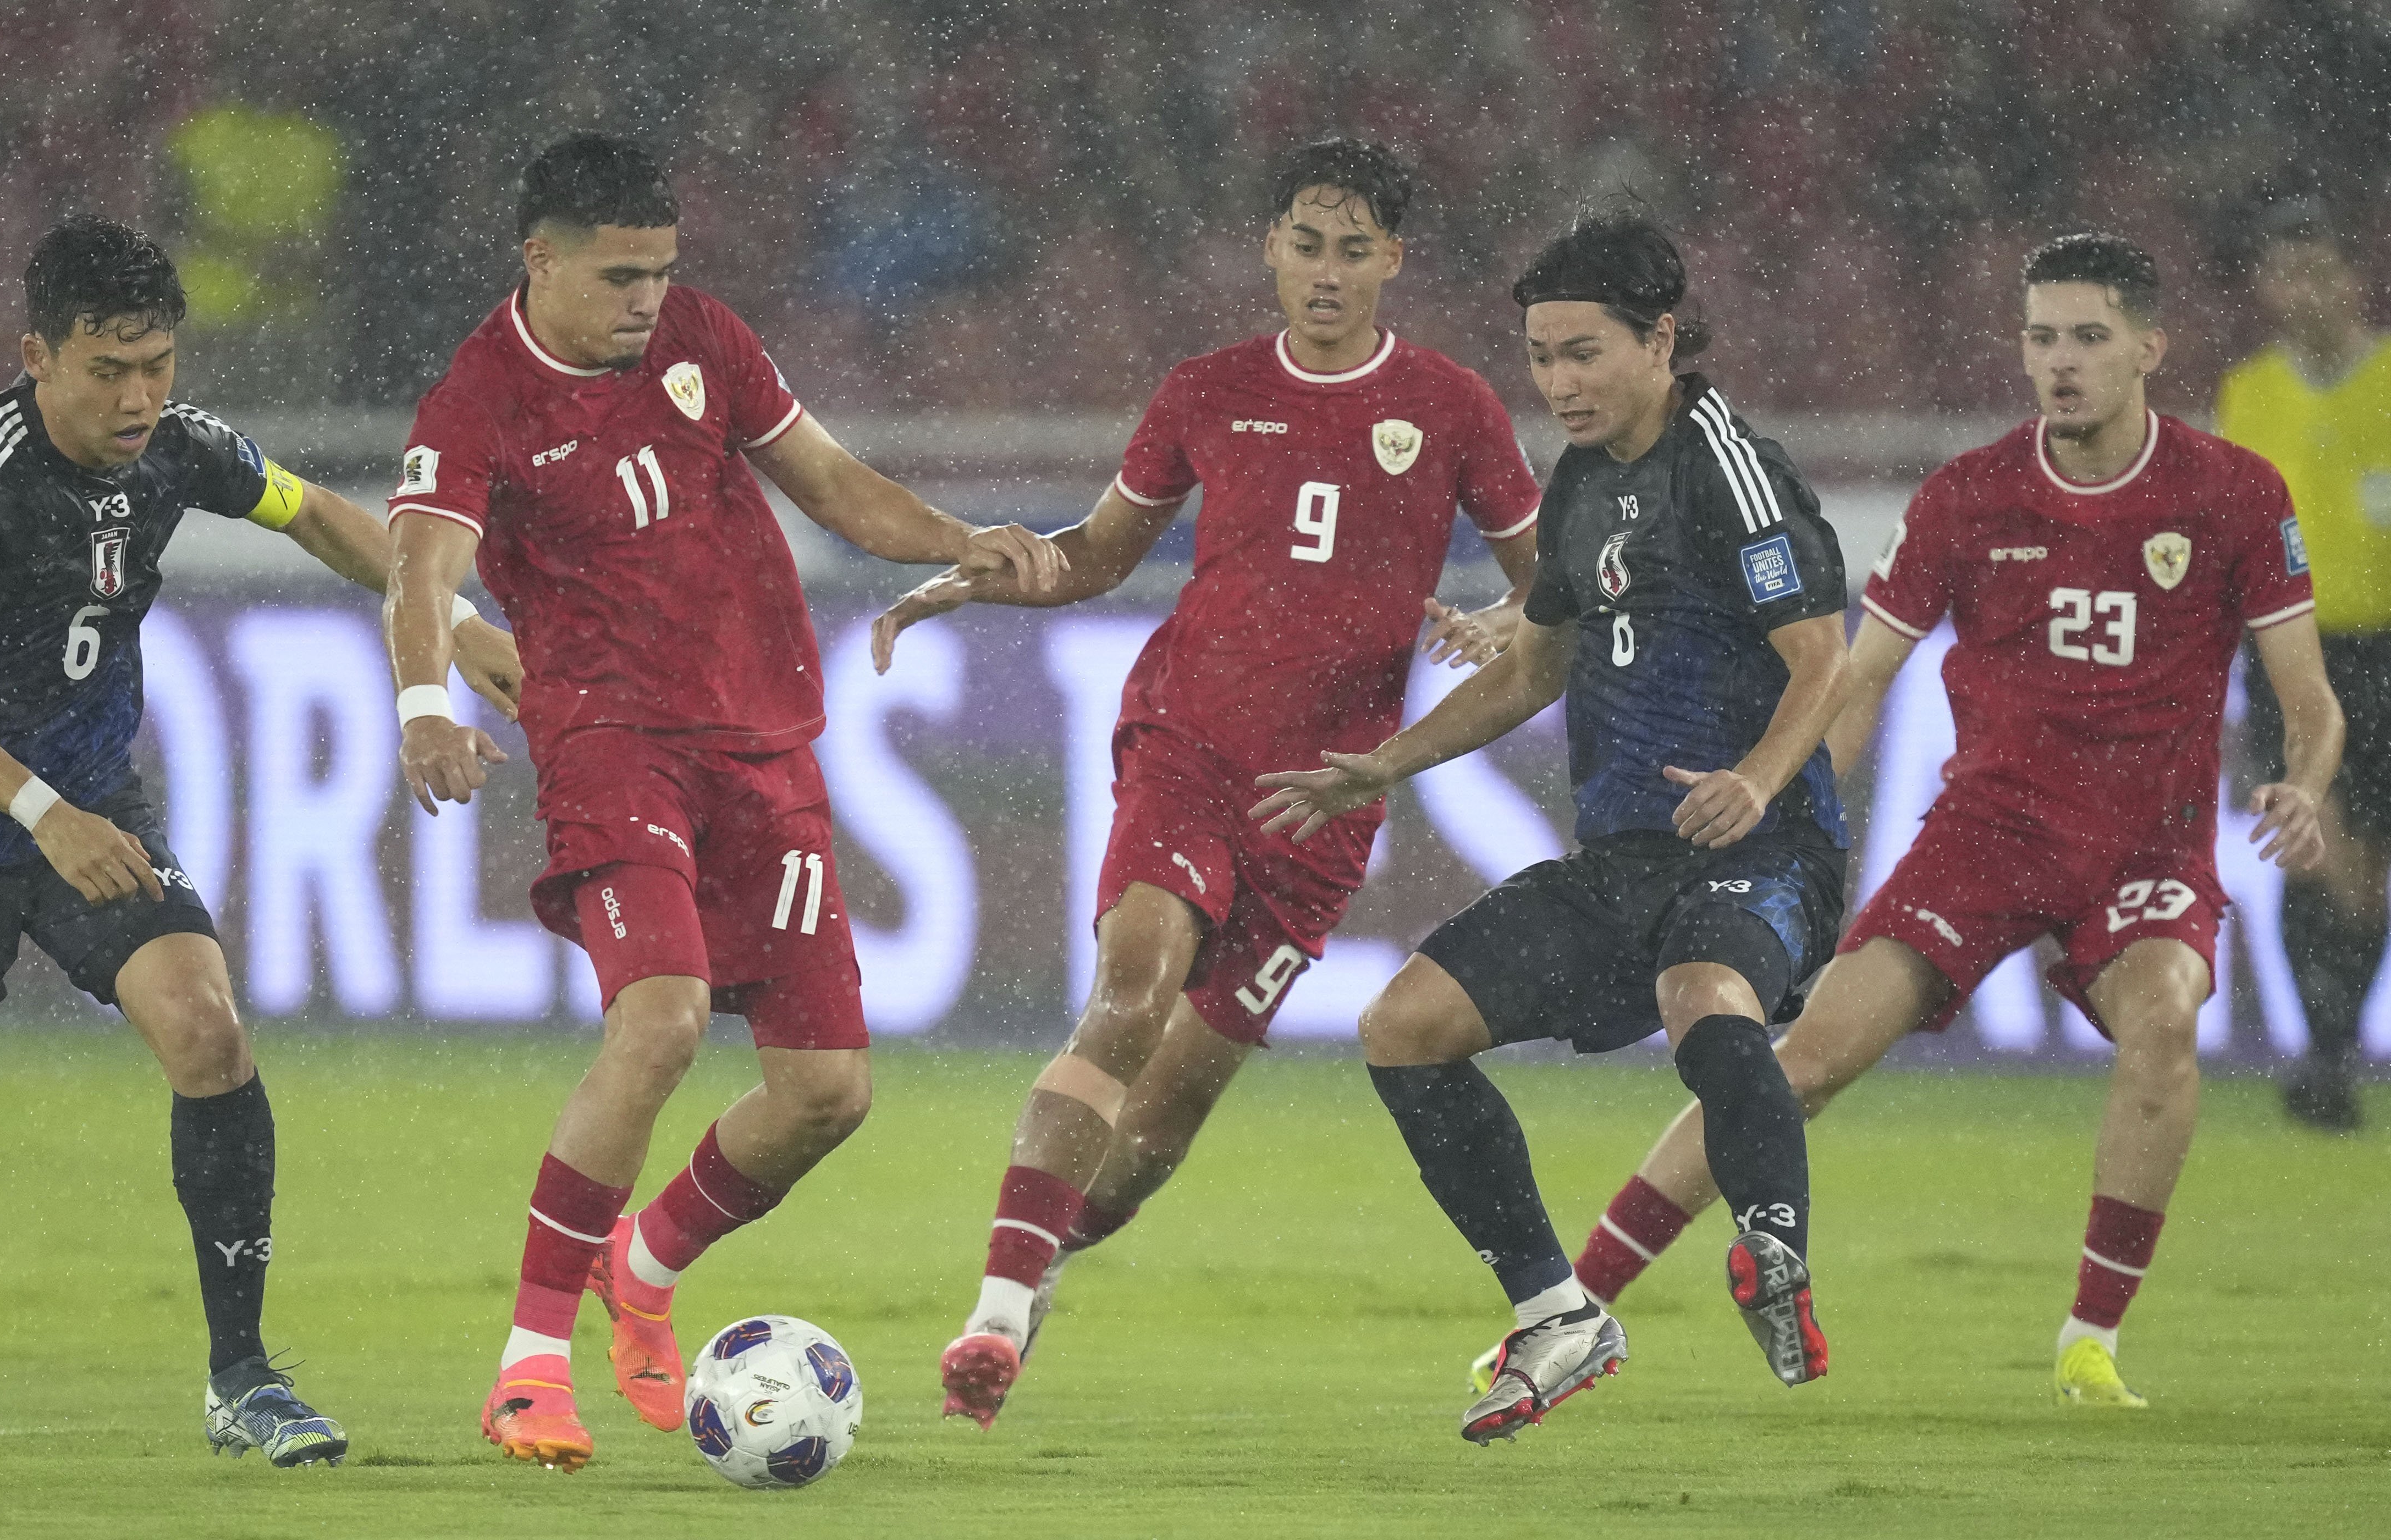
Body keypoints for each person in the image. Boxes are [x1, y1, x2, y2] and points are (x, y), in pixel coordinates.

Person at [1567, 232, 2343, 1409]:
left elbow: (2309, 700)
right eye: (2042, 337)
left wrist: (2306, 780)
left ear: (2150, 347)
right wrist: (1784, 806)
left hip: (2147, 845)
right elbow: (1860, 678)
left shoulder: (2234, 495)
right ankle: (1574, 1307)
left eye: (2088, 337)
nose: (2061, 362)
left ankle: (2090, 1340)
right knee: (1802, 1067)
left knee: (2166, 1028)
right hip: (1985, 841)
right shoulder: (1970, 498)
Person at [387, 134, 1064, 1472]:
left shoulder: (707, 339)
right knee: (664, 1020)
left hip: (763, 741)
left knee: (827, 1090)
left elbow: (832, 483)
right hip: (609, 739)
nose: (649, 298)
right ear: (541, 260)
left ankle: (636, 1273)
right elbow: (422, 565)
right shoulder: (479, 400)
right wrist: (425, 708)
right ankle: (526, 1370)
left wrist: (955, 539)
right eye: (621, 275)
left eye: (662, 271)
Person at [0, 218, 522, 1465]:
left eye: (158, 365)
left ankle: (243, 1379)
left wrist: (452, 624)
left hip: (94, 807)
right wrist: (43, 812)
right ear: (38, 355)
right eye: (108, 370)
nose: (141, 397)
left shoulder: (177, 450)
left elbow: (314, 514)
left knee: (207, 1029)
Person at [871, 137, 1545, 1430]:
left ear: (1395, 261)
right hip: (1185, 744)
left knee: (1163, 1123)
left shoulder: (1454, 409)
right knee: (1132, 986)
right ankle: (996, 1320)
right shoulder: (1206, 392)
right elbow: (1100, 555)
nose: (1328, 273)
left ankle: (1046, 1254)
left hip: (1325, 800)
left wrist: (1514, 623)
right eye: (1307, 245)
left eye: (1355, 251)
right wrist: (980, 574)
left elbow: (1546, 585)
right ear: (1270, 249)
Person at [1254, 208, 1853, 1442]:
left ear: (1662, 340)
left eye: (1584, 353)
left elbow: (1820, 656)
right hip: (1624, 856)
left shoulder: (1728, 464)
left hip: (1761, 847)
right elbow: (1536, 667)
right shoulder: (1582, 483)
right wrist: (1386, 765)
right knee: (1405, 1026)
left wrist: (1752, 778)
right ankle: (1559, 1315)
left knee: (1706, 1002)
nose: (1560, 383)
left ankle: (1775, 1250)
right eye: (1541, 355)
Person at [2222, 204, 2391, 1130]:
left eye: (2322, 273)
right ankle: (2323, 1054)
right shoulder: (2252, 391)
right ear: (2267, 287)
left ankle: (2332, 1052)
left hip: (2388, 652)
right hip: (2291, 648)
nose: (2306, 293)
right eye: (2288, 275)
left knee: (2369, 873)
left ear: (2352, 279)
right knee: (2312, 843)